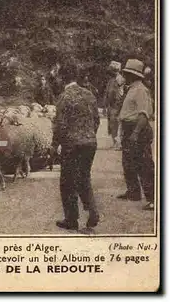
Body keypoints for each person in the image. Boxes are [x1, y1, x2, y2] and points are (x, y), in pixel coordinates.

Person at [51, 62, 100, 231]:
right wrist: (89, 135)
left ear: (63, 77)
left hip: (72, 144)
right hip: (90, 143)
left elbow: (60, 125)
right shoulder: (89, 94)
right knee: (84, 178)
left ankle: (71, 220)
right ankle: (92, 212)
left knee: (67, 182)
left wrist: (54, 146)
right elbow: (96, 120)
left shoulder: (64, 97)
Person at [116, 59, 155, 211]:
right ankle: (133, 191)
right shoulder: (131, 88)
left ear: (132, 75)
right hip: (129, 128)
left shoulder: (140, 90)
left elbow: (143, 114)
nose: (124, 76)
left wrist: (135, 133)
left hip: (138, 129)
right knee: (128, 162)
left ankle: (152, 197)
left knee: (144, 164)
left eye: (126, 73)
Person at [103, 61, 125, 149]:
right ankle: (116, 142)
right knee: (113, 123)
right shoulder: (113, 80)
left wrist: (107, 103)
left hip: (116, 104)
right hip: (113, 104)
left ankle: (118, 143)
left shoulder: (119, 79)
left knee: (116, 123)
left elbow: (114, 93)